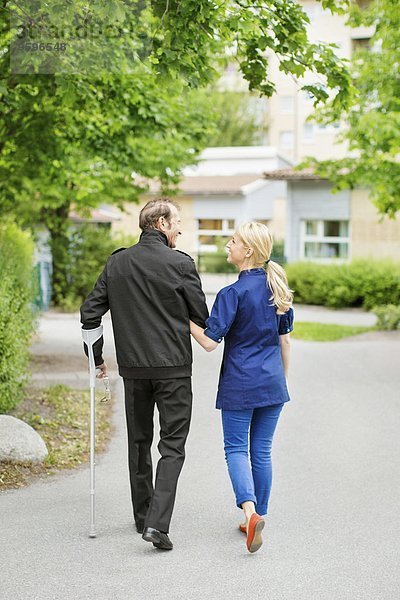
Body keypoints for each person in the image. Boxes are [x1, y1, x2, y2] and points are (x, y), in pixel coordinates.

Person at [80, 198, 209, 551]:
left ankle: (143, 517)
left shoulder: (117, 263)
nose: (181, 228)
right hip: (174, 370)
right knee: (172, 446)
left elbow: (89, 313)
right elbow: (201, 315)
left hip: (134, 370)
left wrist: (97, 359)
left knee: (139, 443)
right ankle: (156, 524)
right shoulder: (181, 264)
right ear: (162, 223)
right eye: (178, 222)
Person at [190, 222, 293, 554]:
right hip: (273, 383)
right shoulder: (277, 288)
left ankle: (249, 514)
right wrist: (281, 381)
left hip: (240, 383)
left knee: (236, 450)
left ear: (247, 251)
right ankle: (258, 514)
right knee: (261, 451)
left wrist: (182, 318)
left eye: (232, 241)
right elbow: (285, 342)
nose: (227, 246)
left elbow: (208, 342)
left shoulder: (231, 294)